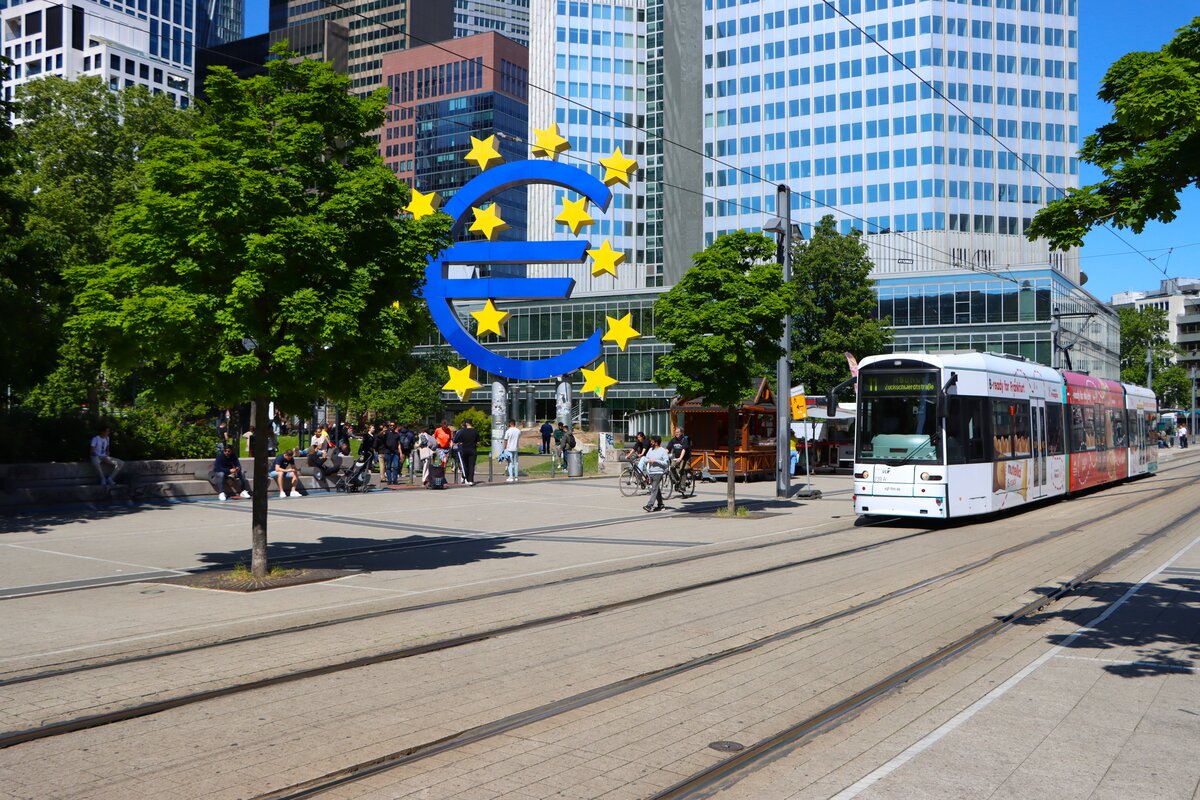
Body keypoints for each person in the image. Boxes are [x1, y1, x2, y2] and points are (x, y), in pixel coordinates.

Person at [642, 435, 671, 512]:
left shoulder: (663, 451)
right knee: (656, 489)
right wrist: (648, 460)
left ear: (656, 442)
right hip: (651, 472)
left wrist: (655, 461)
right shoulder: (650, 450)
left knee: (654, 489)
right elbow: (645, 459)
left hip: (658, 472)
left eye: (652, 441)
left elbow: (666, 463)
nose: (651, 443)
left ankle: (649, 505)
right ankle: (661, 505)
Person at [454, 420, 480, 485]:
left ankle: (466, 478)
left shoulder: (462, 431)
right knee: (471, 465)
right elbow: (478, 442)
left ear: (467, 424)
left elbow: (455, 440)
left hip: (464, 449)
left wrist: (461, 442)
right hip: (473, 450)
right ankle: (471, 480)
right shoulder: (475, 431)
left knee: (465, 465)